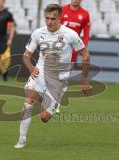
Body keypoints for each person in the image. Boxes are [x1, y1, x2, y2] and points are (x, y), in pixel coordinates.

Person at [14, 4, 92, 149]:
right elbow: (26, 55)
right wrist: (31, 68)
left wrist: (84, 80)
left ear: (60, 18)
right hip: (40, 72)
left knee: (44, 118)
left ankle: (51, 102)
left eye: (53, 19)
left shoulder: (71, 35)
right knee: (29, 99)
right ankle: (22, 139)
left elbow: (86, 55)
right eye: (47, 18)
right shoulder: (38, 33)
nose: (49, 22)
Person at [55, 0, 90, 113]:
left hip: (73, 50)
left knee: (64, 77)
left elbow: (86, 34)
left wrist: (82, 47)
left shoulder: (84, 14)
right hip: (58, 47)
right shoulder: (62, 10)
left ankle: (56, 104)